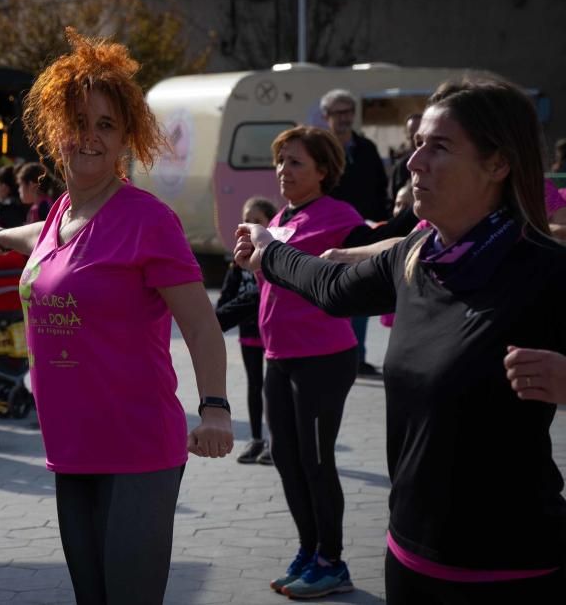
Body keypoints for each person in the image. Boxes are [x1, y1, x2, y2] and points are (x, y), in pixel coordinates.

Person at [235, 76, 566, 602]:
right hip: (408, 558)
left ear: (498, 163)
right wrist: (268, 249)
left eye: (439, 147)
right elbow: (329, 287)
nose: (414, 164)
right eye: (417, 147)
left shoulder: (546, 272)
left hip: (513, 568)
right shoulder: (415, 258)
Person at [0, 27, 233, 605]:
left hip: (136, 443)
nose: (89, 137)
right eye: (78, 122)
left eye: (106, 125)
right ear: (53, 129)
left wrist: (214, 408)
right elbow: (42, 242)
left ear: (126, 138)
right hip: (71, 443)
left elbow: (200, 325)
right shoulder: (58, 213)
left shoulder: (149, 221)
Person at [230, 125, 366, 598]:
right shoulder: (283, 217)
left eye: (295, 163)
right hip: (278, 356)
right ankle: (310, 551)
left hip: (324, 357)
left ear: (323, 171)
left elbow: (372, 255)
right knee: (286, 459)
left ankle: (333, 561)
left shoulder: (341, 215)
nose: (283, 171)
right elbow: (267, 278)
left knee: (316, 461)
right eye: (280, 161)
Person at [321, 89, 389, 378]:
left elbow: (378, 187)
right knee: (330, 295)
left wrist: (381, 223)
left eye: (349, 111)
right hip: (326, 233)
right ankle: (329, 355)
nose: (345, 117)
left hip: (362, 233)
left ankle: (357, 357)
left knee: (360, 294)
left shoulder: (366, 149)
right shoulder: (319, 149)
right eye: (339, 112)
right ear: (327, 116)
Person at [215, 196, 277, 466]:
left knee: (274, 389)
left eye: (257, 221)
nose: (250, 226)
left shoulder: (274, 259)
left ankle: (276, 441)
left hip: (274, 335)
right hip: (249, 335)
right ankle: (256, 440)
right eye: (246, 221)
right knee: (255, 385)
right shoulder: (237, 264)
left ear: (269, 225)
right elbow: (224, 302)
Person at [389, 113, 422, 203]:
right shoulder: (401, 167)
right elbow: (391, 200)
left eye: (419, 136)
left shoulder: (438, 163)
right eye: (412, 137)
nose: (416, 142)